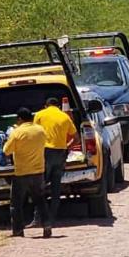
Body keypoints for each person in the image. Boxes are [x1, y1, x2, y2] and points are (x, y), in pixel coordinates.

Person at [3, 107, 51, 238]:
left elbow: (7, 151)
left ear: (19, 119)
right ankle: (47, 225)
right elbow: (46, 144)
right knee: (40, 200)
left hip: (22, 173)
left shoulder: (17, 132)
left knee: (16, 203)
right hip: (38, 171)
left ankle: (18, 230)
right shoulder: (41, 130)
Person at [33, 98, 78, 228]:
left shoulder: (40, 114)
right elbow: (76, 138)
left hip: (45, 152)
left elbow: (35, 133)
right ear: (58, 106)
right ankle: (52, 219)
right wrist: (67, 147)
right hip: (60, 153)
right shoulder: (65, 116)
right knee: (56, 187)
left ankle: (38, 218)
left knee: (40, 186)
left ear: (45, 105)